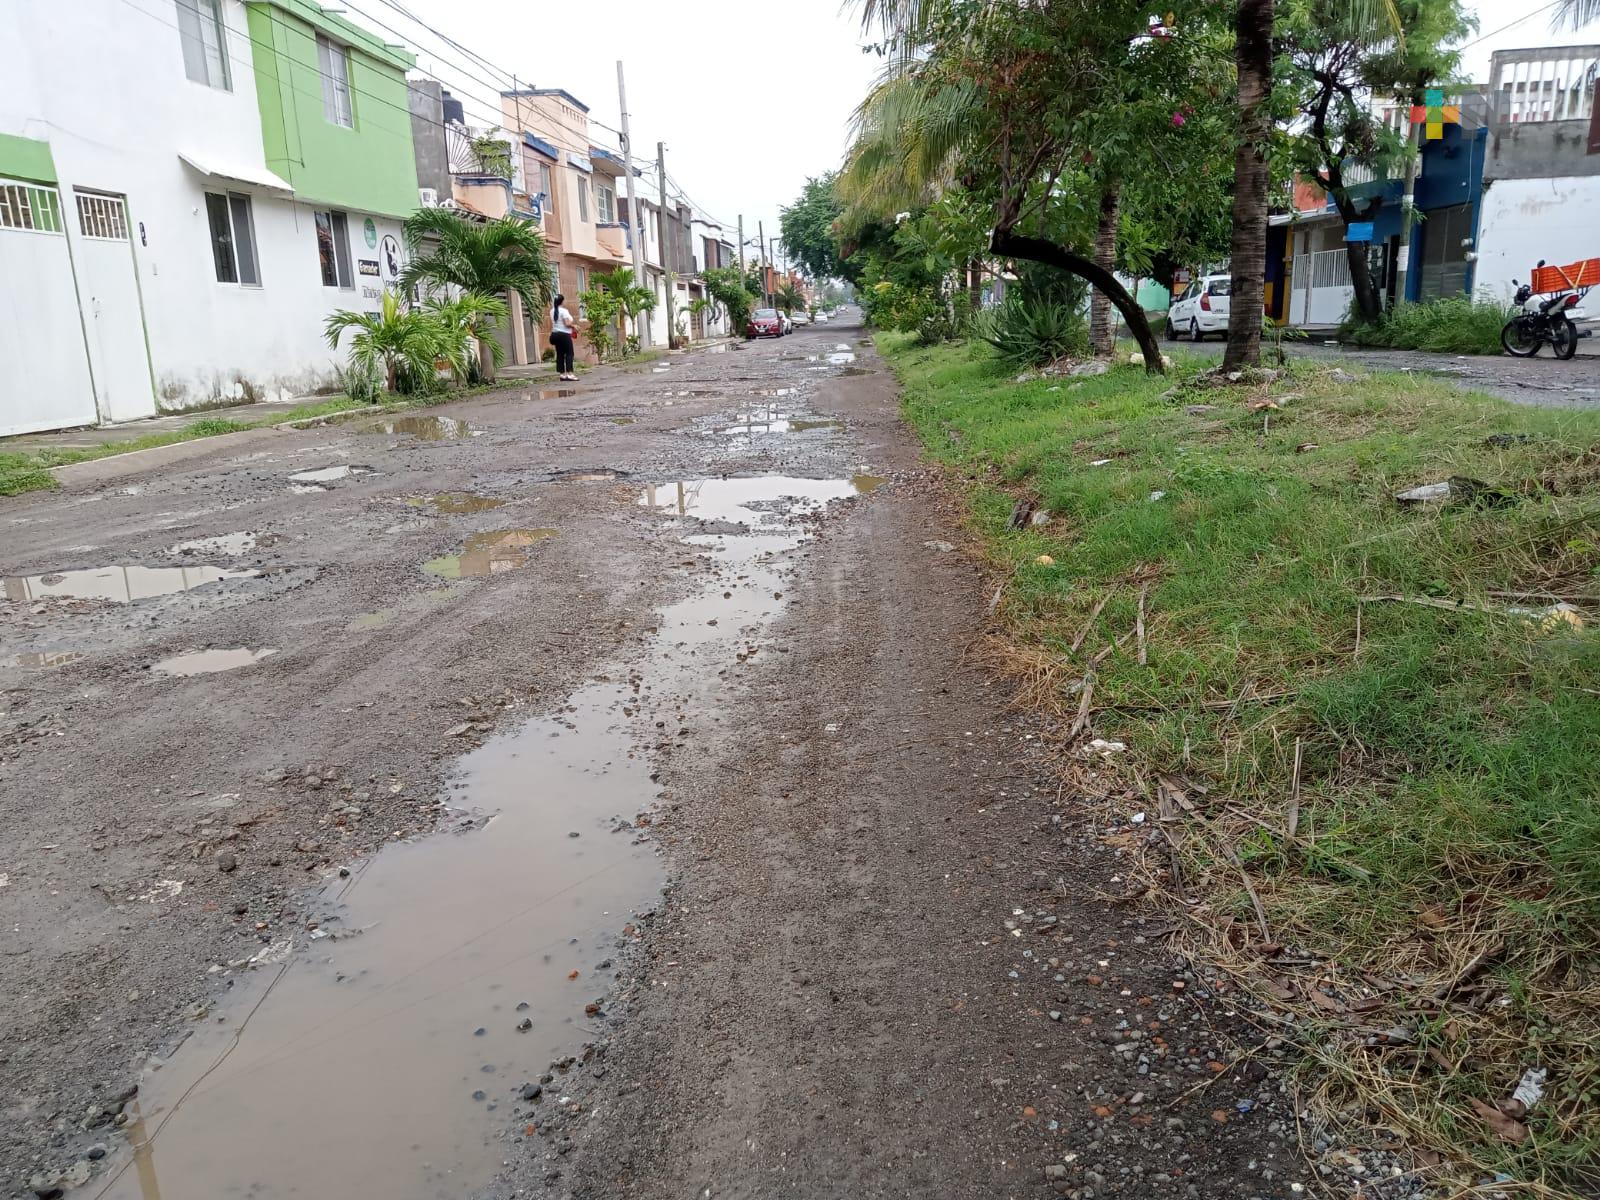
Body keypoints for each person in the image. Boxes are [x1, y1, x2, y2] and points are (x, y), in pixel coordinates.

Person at [550, 293, 577, 382]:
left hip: (555, 334)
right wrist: (574, 326)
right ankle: (570, 373)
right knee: (569, 353)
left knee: (560, 354)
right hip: (564, 334)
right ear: (562, 301)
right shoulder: (564, 311)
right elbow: (567, 324)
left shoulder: (552, 311)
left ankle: (562, 374)